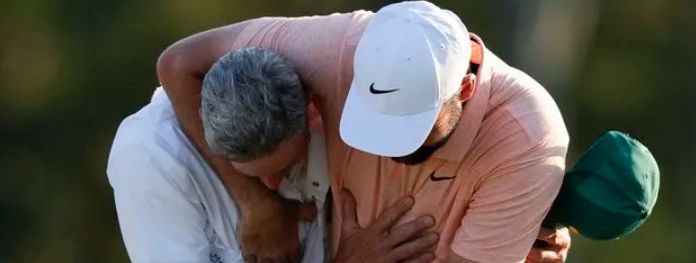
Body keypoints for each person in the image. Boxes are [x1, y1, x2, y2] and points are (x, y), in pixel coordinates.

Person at [158, 1, 571, 262]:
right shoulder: (338, 48)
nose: (386, 149)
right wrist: (258, 204)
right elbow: (178, 65)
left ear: (463, 90)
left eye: (410, 126)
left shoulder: (526, 138)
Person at [107, 47, 436, 263]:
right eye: (253, 174)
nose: (272, 184)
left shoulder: (338, 112)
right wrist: (256, 201)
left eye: (288, 166)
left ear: (310, 112)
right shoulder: (149, 156)